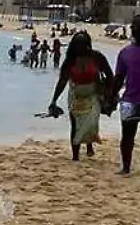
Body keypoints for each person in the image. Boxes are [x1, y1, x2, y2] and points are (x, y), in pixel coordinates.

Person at [47, 32, 113, 161]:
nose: (81, 47)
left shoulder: (97, 57)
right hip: (75, 95)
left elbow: (109, 75)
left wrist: (109, 94)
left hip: (93, 94)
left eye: (84, 44)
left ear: (88, 44)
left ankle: (89, 145)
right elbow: (62, 81)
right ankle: (75, 156)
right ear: (74, 45)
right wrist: (54, 101)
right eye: (78, 44)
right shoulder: (70, 60)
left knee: (91, 122)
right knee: (75, 125)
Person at [108, 14, 140, 174]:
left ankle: (126, 167)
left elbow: (118, 79)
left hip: (130, 100)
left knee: (127, 136)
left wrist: (111, 96)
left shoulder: (125, 52)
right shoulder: (125, 52)